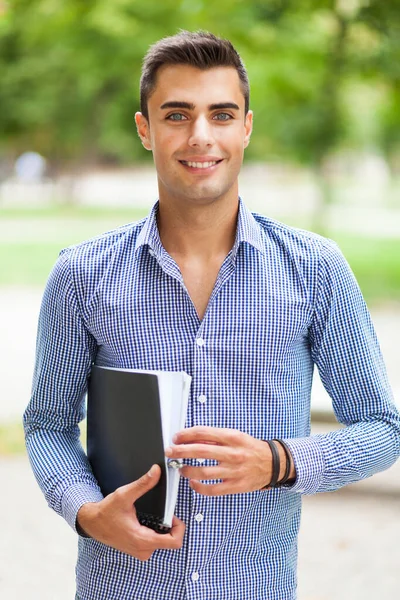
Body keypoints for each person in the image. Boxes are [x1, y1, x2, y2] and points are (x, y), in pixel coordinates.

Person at [24, 31, 400, 600]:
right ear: (145, 129)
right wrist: (85, 511)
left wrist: (278, 461)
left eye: (220, 114)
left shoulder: (316, 269)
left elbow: (383, 429)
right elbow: (48, 424)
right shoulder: (82, 274)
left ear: (246, 127)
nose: (201, 136)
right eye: (177, 114)